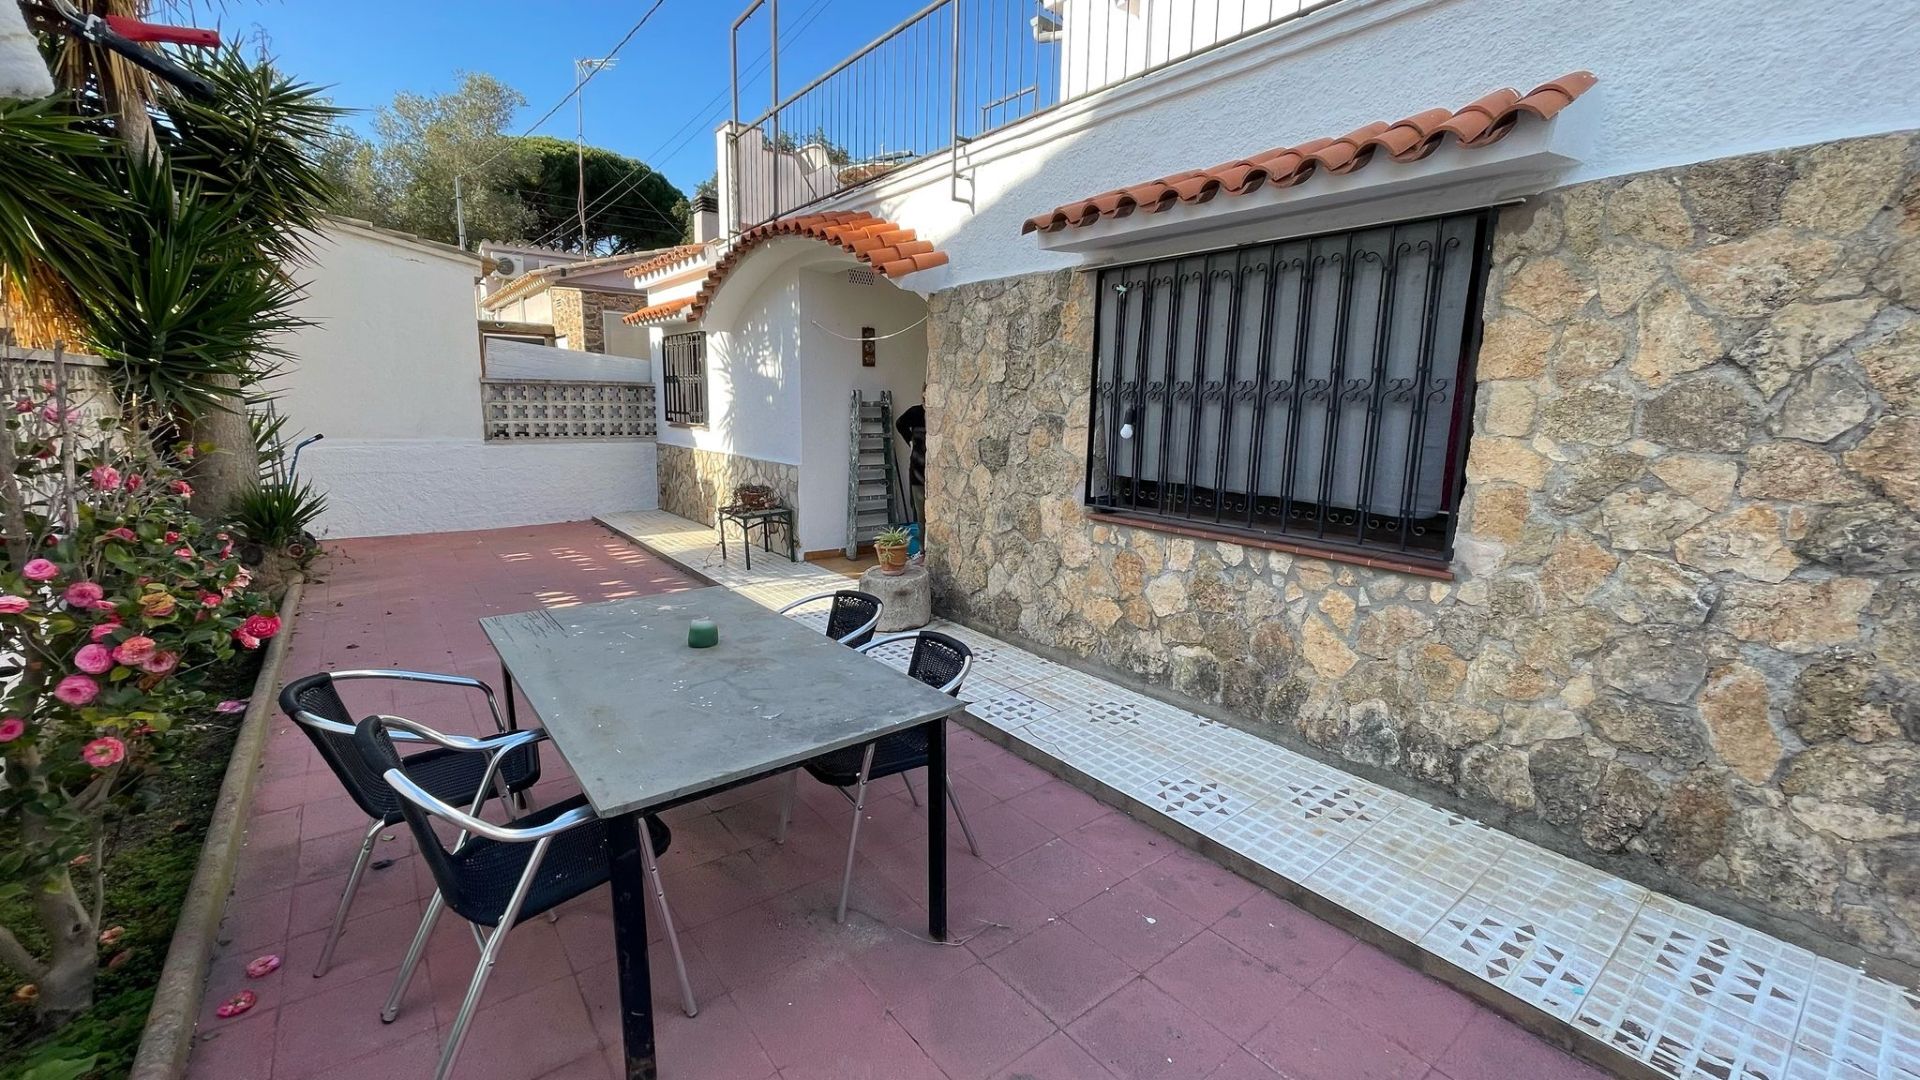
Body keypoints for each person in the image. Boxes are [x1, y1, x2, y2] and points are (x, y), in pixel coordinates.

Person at [894, 403, 926, 525]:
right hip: (918, 471)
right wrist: (910, 442)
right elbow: (900, 423)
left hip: (934, 472)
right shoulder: (916, 412)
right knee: (920, 513)